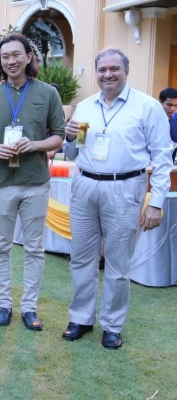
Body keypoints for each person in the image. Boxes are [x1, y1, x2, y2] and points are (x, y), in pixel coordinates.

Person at [62, 47, 172, 349]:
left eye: (114, 69)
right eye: (102, 69)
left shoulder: (148, 108)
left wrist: (156, 202)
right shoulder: (84, 107)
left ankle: (112, 325)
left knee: (118, 262)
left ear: (126, 71)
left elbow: (163, 160)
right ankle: (81, 318)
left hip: (125, 188)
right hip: (85, 185)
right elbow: (73, 152)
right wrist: (69, 138)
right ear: (96, 72)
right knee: (82, 258)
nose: (107, 74)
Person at [0, 33, 64, 331]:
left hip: (35, 182)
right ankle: (3, 305)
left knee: (35, 248)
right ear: (0, 61)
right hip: (1, 182)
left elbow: (58, 136)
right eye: (5, 56)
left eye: (16, 55)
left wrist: (35, 145)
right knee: (0, 246)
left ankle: (29, 307)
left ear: (29, 57)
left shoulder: (48, 93)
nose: (11, 61)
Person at [159, 88, 177, 162]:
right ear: (160, 102)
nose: (172, 109)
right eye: (169, 105)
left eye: (176, 105)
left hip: (170, 166)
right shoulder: (150, 121)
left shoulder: (175, 122)